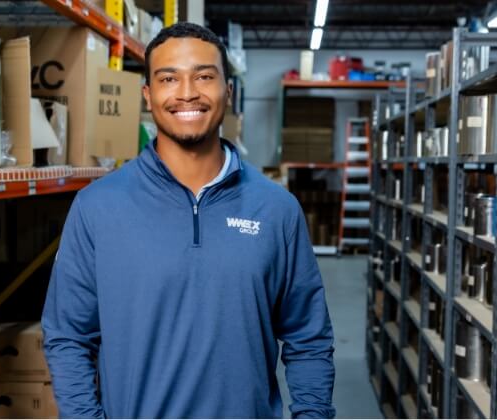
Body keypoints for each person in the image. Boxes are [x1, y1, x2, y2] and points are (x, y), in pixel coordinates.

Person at [42, 22, 335, 419]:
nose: (186, 93)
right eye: (168, 78)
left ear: (227, 92)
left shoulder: (277, 210)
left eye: (204, 76)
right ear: (147, 95)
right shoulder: (97, 207)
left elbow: (309, 339)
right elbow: (68, 338)